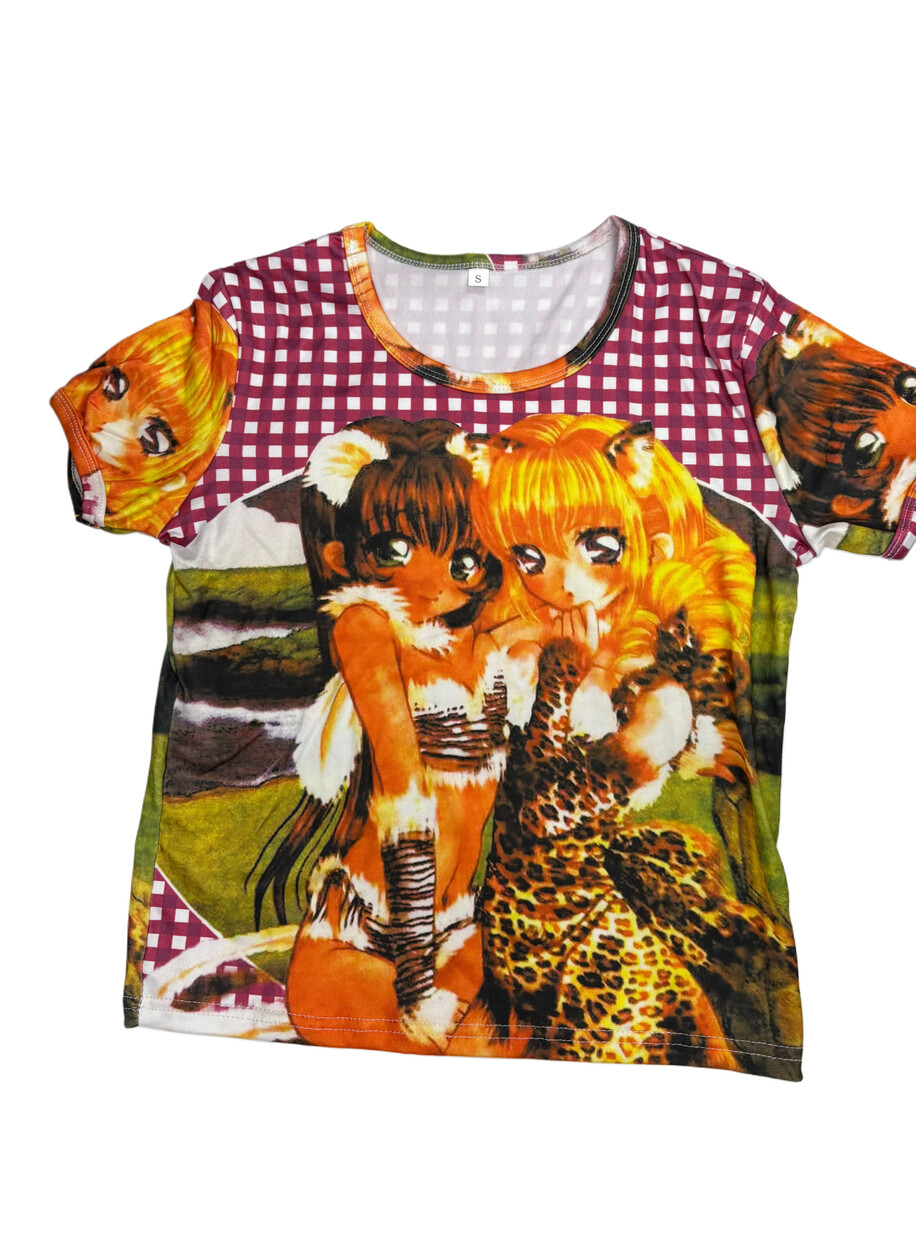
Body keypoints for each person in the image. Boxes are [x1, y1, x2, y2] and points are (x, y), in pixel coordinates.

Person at [455, 414, 798, 1068]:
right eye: (531, 557)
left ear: (649, 536)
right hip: (517, 912)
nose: (561, 581)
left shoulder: (660, 693)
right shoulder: (537, 634)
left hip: (570, 921)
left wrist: (562, 680)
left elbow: (550, 809)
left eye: (597, 545)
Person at [252, 417, 527, 1055]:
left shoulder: (485, 640)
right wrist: (415, 982)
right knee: (459, 1052)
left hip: (460, 926)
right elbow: (405, 796)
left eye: (460, 557)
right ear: (341, 556)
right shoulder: (365, 625)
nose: (432, 581)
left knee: (527, 1043)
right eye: (396, 550)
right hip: (364, 935)